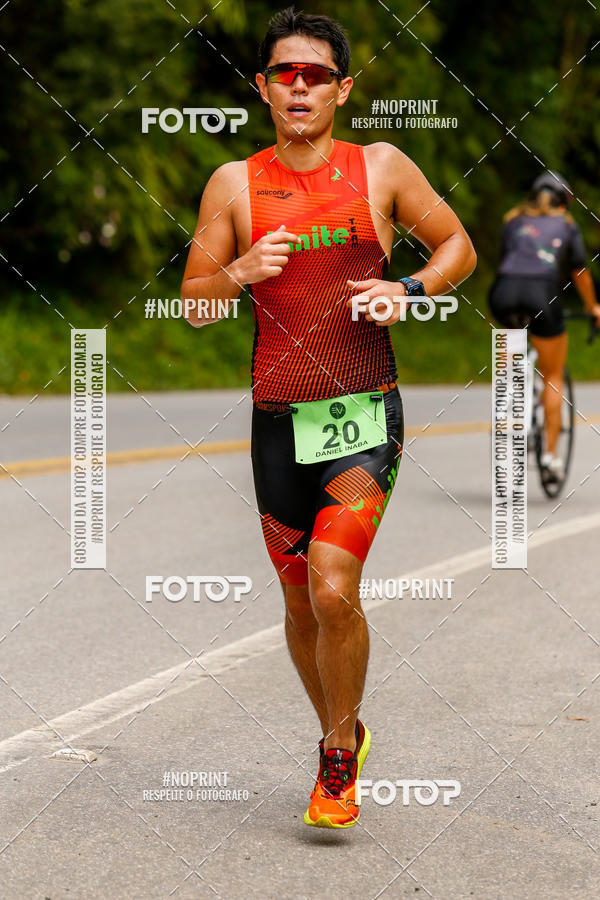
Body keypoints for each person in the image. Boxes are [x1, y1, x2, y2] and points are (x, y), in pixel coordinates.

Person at [181, 6, 476, 828]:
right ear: (263, 87)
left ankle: (337, 760)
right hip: (277, 422)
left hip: (361, 411)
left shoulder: (380, 167)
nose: (299, 86)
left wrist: (406, 289)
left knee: (333, 585)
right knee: (301, 606)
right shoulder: (233, 184)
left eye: (316, 74)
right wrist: (237, 269)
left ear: (343, 89)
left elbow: (458, 247)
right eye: (285, 73)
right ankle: (342, 728)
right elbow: (195, 306)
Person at [488, 171, 600, 481]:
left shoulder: (513, 220)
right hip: (542, 296)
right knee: (553, 375)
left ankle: (507, 409)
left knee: (509, 366)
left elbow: (509, 262)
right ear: (565, 202)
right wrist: (592, 307)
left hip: (503, 295)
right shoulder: (566, 225)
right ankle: (550, 458)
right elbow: (579, 271)